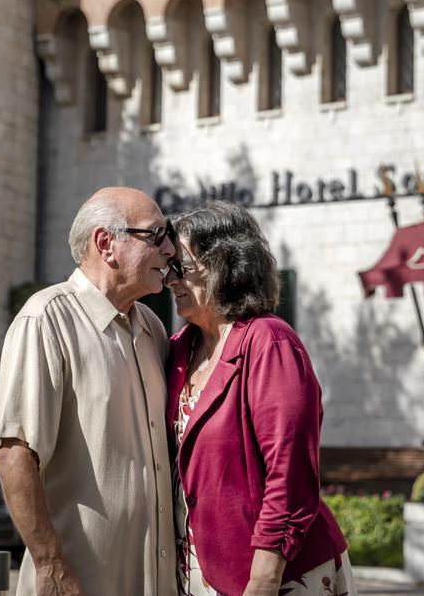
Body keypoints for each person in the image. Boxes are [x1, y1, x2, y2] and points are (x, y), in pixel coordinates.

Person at [0, 187, 178, 596]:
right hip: (76, 584)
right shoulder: (45, 319)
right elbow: (14, 451)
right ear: (106, 244)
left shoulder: (153, 329)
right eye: (156, 235)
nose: (171, 250)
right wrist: (50, 564)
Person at [163, 201, 351, 596]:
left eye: (182, 267)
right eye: (169, 269)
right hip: (200, 569)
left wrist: (264, 577)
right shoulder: (179, 348)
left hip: (277, 574)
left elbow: (291, 470)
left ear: (224, 265)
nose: (171, 280)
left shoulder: (269, 341)